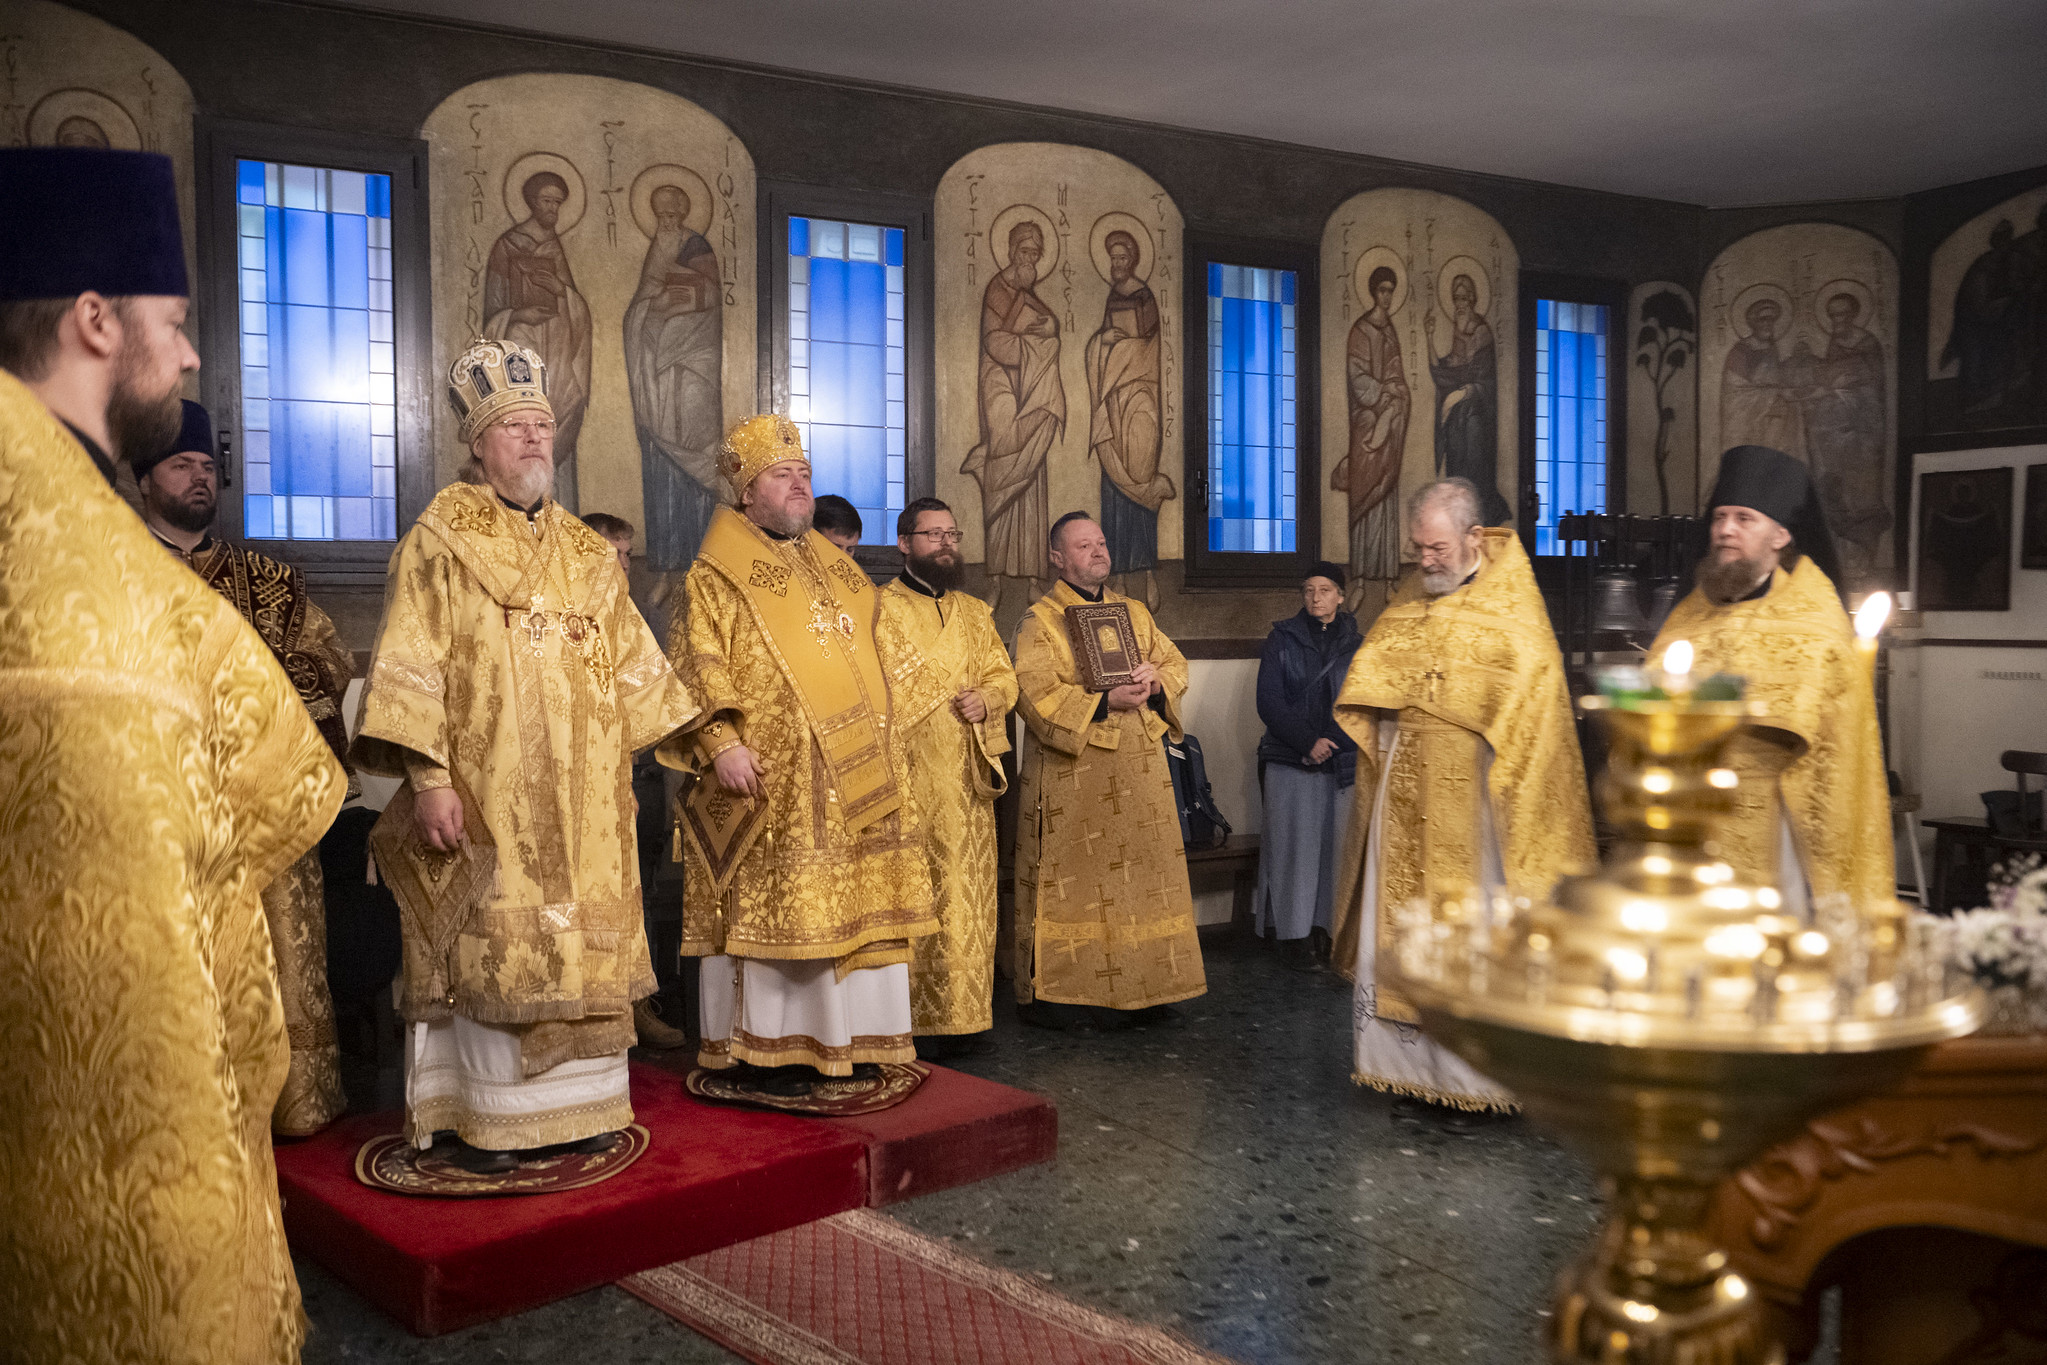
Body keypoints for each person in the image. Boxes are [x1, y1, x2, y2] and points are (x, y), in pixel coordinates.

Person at [0, 146, 345, 1363]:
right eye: (177, 322)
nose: (193, 357)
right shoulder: (85, 583)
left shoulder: (86, 533)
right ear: (95, 320)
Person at [352, 337, 697, 1172]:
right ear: (478, 443)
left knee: (584, 944)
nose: (534, 438)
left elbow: (636, 668)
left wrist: (699, 738)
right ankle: (488, 1116)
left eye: (541, 423)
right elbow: (410, 660)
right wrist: (430, 778)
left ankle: (577, 1110)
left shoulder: (586, 550)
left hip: (586, 803)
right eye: (514, 425)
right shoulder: (440, 539)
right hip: (487, 791)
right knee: (489, 944)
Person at [660, 415, 934, 1097]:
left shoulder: (832, 566)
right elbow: (695, 661)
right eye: (783, 475)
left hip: (854, 781)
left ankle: (858, 1041)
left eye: (805, 473)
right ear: (747, 492)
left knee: (858, 908)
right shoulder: (714, 575)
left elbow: (887, 654)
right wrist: (719, 741)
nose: (800, 484)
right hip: (770, 783)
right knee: (783, 910)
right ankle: (772, 1050)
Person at [1332, 478, 1593, 1112]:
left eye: (1437, 547)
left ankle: (1475, 1084)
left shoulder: (1515, 620)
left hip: (1480, 811)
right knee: (1404, 933)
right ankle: (1406, 1074)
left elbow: (1537, 735)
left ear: (1475, 538)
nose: (1426, 560)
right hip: (1405, 806)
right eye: (1418, 547)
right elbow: (1371, 689)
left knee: (1470, 937)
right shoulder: (1407, 607)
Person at [136, 399, 354, 1136]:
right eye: (180, 465)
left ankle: (295, 1101)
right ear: (144, 479)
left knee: (278, 955)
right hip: (159, 810)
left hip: (262, 806)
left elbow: (328, 662)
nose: (198, 478)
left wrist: (258, 689)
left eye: (207, 468)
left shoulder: (268, 578)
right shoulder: (117, 572)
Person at [1650, 444, 1892, 918]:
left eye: (1744, 519)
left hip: (1776, 810)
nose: (1725, 530)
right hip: (1691, 813)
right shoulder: (1689, 612)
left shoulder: (1814, 617)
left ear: (1780, 534)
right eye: (1720, 517)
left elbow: (1829, 740)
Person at [1011, 511, 1205, 1030]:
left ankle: (1150, 982)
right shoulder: (1038, 622)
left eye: (1101, 542)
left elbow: (1174, 663)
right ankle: (1068, 994)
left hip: (1142, 777)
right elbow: (1033, 695)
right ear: (1057, 557)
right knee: (1077, 885)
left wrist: (1156, 680)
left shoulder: (1135, 613)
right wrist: (1102, 702)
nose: (1098, 551)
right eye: (1083, 546)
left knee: (1144, 879)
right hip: (1078, 784)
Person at [876, 497, 1019, 1058]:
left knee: (965, 897)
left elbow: (1003, 677)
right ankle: (906, 1020)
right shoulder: (877, 609)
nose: (945, 544)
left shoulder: (974, 612)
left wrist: (987, 699)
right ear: (904, 543)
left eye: (952, 534)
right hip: (905, 780)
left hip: (963, 781)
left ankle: (965, 1014)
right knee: (912, 893)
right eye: (932, 535)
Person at [1253, 560, 1362, 968]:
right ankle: (1293, 938)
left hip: (1341, 763)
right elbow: (1269, 701)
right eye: (1308, 590)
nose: (1315, 598)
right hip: (1291, 759)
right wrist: (1305, 741)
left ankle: (1328, 934)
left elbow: (1362, 700)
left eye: (1324, 590)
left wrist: (1330, 742)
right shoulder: (1281, 638)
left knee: (1335, 852)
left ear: (1340, 595)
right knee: (1293, 850)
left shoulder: (1359, 643)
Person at [963, 219, 1065, 609]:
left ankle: (1032, 582)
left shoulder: (1030, 294)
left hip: (1032, 391)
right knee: (1002, 467)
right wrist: (1034, 342)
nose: (1031, 261)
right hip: (1001, 387)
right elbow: (995, 343)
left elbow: (1049, 329)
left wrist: (1046, 331)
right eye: (1025, 253)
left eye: (1036, 255)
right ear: (1011, 252)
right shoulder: (998, 290)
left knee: (1031, 478)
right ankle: (994, 579)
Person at [625, 183, 723, 569]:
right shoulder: (660, 247)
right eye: (660, 215)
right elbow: (641, 306)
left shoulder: (697, 248)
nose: (665, 223)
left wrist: (668, 307)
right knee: (660, 458)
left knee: (696, 461)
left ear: (683, 214)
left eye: (671, 215)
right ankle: (665, 561)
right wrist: (653, 309)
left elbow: (709, 300)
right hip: (659, 377)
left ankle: (698, 560)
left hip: (694, 371)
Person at [485, 170, 592, 510]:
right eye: (546, 201)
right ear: (532, 202)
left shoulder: (555, 245)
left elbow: (577, 307)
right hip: (522, 345)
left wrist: (560, 290)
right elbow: (492, 314)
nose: (552, 209)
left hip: (559, 353)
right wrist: (517, 316)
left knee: (557, 426)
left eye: (557, 203)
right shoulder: (507, 245)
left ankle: (561, 518)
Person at [1085, 229, 1172, 610]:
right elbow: (1104, 343)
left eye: (1122, 258)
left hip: (1139, 397)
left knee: (1139, 476)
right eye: (1113, 257)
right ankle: (1116, 576)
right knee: (1113, 488)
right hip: (1114, 399)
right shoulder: (1112, 296)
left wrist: (1119, 349)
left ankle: (1149, 575)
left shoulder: (1144, 296)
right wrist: (1104, 343)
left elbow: (1150, 349)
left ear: (1133, 259)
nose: (1117, 264)